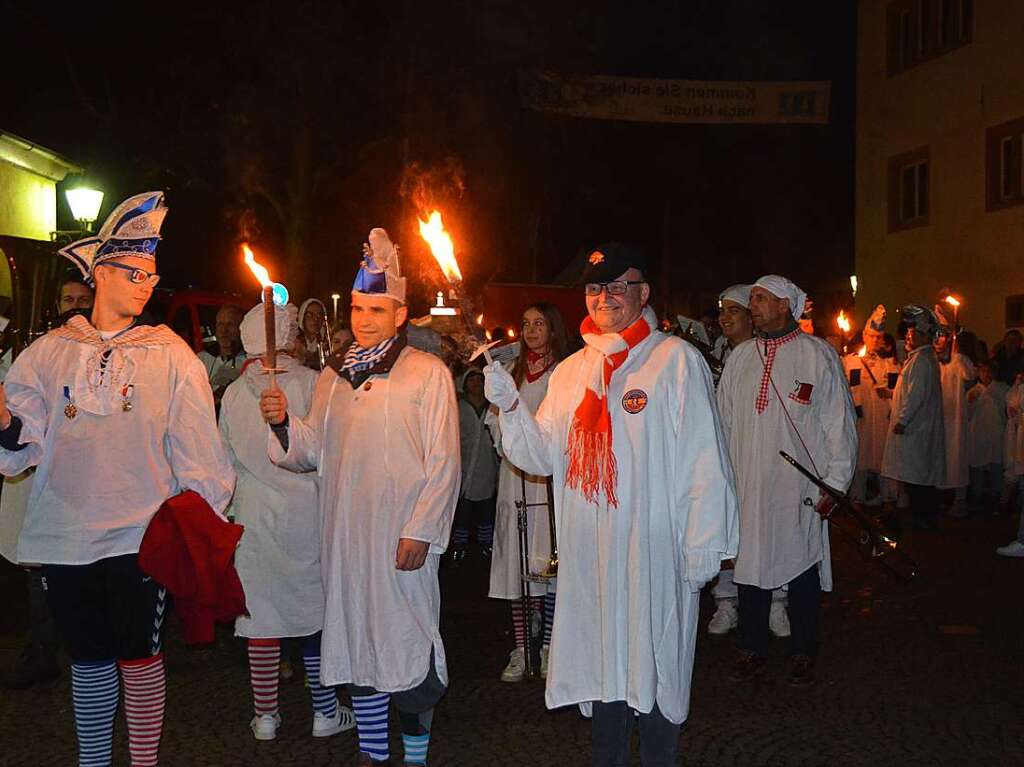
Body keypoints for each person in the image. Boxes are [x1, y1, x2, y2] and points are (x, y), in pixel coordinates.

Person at [0, 191, 235, 767]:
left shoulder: (172, 355)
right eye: (135, 272)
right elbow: (20, 442)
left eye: (152, 275)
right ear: (101, 272)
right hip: (67, 535)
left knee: (138, 656)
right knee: (86, 658)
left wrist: (197, 522)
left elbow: (200, 452)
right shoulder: (49, 353)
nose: (146, 284)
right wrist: (5, 419)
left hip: (141, 536)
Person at [484, 243, 737, 767]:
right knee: (604, 668)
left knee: (656, 666)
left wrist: (703, 546)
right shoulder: (573, 370)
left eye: (618, 285)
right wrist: (509, 407)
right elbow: (540, 454)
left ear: (642, 293)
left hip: (654, 552)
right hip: (591, 553)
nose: (606, 297)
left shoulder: (674, 361)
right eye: (596, 287)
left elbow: (704, 460)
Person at [260, 228, 458, 767]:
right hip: (347, 539)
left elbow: (444, 462)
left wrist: (421, 528)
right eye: (357, 308)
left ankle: (414, 754)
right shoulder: (334, 377)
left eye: (376, 308)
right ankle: (374, 755)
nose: (364, 319)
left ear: (400, 314)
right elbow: (313, 449)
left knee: (406, 648)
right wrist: (284, 426)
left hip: (400, 540)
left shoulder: (427, 373)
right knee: (357, 652)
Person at [220, 302, 355, 741]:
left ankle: (265, 715)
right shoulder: (315, 384)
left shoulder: (235, 393)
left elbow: (224, 458)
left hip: (254, 515)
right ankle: (324, 710)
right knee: (312, 616)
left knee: (262, 617)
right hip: (306, 514)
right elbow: (329, 448)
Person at [717, 275, 857, 688]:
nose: (753, 305)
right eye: (753, 298)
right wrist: (722, 484)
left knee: (802, 570)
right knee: (751, 570)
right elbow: (722, 426)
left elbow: (839, 424)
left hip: (799, 491)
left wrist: (833, 484)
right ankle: (752, 648)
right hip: (747, 486)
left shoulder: (818, 356)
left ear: (785, 305)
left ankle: (803, 651)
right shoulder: (741, 359)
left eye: (761, 299)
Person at [0, 274, 95, 691]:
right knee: (36, 570)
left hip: (80, 485)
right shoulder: (34, 353)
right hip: (32, 476)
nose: (74, 305)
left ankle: (80, 651)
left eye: (82, 299)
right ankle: (41, 650)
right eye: (67, 299)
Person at [486, 302, 569, 683]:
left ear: (553, 329)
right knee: (517, 567)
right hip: (513, 477)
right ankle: (521, 647)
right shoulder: (511, 373)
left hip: (549, 481)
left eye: (539, 323)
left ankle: (551, 645)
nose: (532, 330)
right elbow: (496, 427)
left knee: (549, 563)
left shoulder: (564, 375)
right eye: (526, 323)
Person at [706, 284, 790, 639]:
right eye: (721, 310)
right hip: (722, 452)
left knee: (768, 525)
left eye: (733, 310)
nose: (725, 317)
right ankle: (727, 600)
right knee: (726, 528)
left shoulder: (770, 354)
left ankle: (777, 600)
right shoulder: (713, 354)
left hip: (760, 455)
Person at [881, 305, 946, 531]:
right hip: (917, 427)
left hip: (916, 429)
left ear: (921, 335)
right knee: (915, 475)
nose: (907, 337)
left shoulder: (921, 360)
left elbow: (916, 395)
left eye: (911, 334)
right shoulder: (920, 358)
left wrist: (903, 420)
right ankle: (922, 516)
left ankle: (923, 519)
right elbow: (908, 391)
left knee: (917, 477)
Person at [843, 305, 901, 507]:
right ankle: (857, 496)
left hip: (882, 417)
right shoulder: (851, 362)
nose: (875, 340)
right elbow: (847, 390)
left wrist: (888, 394)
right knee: (861, 456)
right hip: (861, 417)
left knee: (883, 456)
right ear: (865, 336)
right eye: (871, 336)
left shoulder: (891, 364)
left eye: (879, 337)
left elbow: (898, 393)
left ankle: (888, 495)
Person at [451, 367, 498, 563]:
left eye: (480, 380)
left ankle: (486, 546)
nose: (476, 384)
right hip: (463, 466)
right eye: (472, 380)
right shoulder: (458, 406)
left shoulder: (493, 407)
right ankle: (459, 547)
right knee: (462, 510)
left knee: (486, 510)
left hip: (487, 466)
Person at [933, 306, 977, 518]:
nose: (939, 340)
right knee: (939, 458)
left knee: (956, 457)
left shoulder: (958, 361)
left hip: (955, 420)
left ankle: (960, 500)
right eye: (936, 335)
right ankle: (941, 499)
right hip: (936, 419)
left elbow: (970, 377)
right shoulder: (930, 361)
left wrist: (958, 355)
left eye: (942, 335)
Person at [966, 359, 1008, 513]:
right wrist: (970, 403)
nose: (986, 374)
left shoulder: (1002, 389)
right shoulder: (973, 391)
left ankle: (996, 498)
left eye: (988, 371)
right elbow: (967, 414)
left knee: (996, 467)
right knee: (977, 468)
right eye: (983, 371)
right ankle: (977, 498)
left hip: (996, 434)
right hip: (978, 435)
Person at [198, 304, 247, 407]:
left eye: (230, 325)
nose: (224, 331)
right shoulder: (202, 359)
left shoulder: (249, 362)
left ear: (241, 329)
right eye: (220, 324)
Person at [298, 297, 329, 370]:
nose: (315, 319)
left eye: (319, 315)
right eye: (310, 315)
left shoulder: (327, 344)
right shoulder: (294, 343)